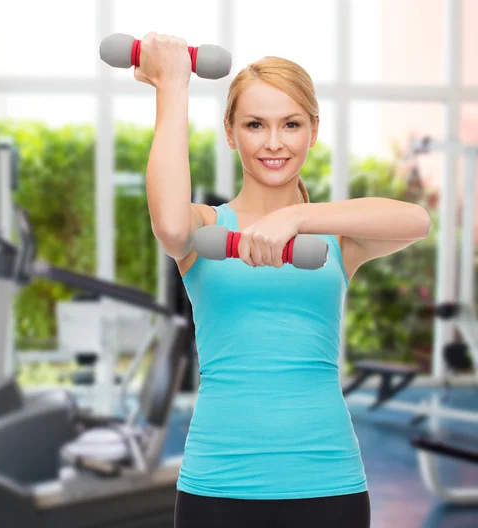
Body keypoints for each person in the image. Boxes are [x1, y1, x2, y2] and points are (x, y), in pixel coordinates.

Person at [136, 32, 431, 528]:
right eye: (255, 125)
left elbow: (416, 220)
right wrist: (172, 86)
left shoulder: (339, 239)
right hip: (218, 486)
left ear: (313, 131)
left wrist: (300, 219)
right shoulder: (205, 229)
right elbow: (167, 223)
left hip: (328, 483)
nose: (274, 142)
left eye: (291, 124)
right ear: (231, 133)